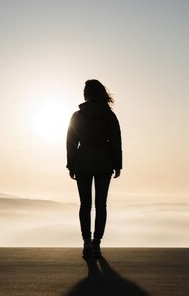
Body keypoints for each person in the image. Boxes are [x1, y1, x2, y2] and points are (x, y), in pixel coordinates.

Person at [66, 79, 122, 257]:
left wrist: (71, 164)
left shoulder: (77, 115)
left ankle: (86, 242)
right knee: (101, 205)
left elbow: (71, 142)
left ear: (86, 94)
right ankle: (97, 242)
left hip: (83, 161)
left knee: (85, 205)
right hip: (104, 161)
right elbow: (115, 141)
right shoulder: (109, 116)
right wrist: (118, 164)